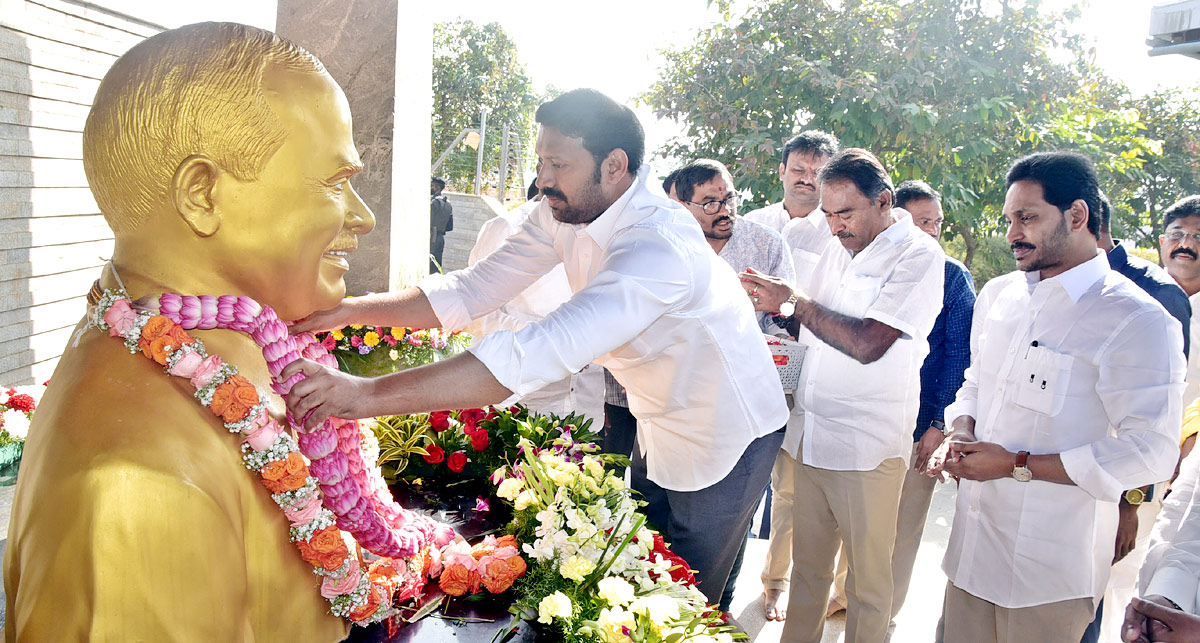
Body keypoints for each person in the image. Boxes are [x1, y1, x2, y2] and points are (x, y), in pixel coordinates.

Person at [282, 88, 789, 606]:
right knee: (644, 576)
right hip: (660, 423)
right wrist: (347, 311)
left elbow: (535, 350)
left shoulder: (657, 245)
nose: (543, 177)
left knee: (683, 603)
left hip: (730, 433)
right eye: (541, 160)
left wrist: (362, 396)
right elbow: (472, 288)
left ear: (614, 165)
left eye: (558, 163)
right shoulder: (561, 210)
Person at [4, 23, 374, 641]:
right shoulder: (137, 481)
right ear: (202, 194)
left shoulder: (217, 362)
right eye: (334, 182)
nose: (360, 217)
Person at [928, 151, 1184, 643]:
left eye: (1027, 218)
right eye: (1009, 219)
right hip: (972, 554)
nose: (1011, 234)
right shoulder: (1001, 296)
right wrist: (961, 431)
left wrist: (1013, 464)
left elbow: (1151, 451)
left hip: (1048, 573)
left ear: (1077, 215)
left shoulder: (1136, 319)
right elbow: (976, 383)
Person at [741, 148, 945, 642]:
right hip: (811, 437)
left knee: (867, 588)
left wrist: (794, 303)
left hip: (867, 449)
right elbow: (799, 313)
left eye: (845, 213)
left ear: (884, 201)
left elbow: (867, 342)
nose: (834, 226)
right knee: (808, 576)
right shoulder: (837, 245)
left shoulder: (918, 255)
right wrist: (779, 303)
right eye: (828, 214)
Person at [671, 158, 796, 610]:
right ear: (680, 206)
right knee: (678, 523)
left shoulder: (766, 246)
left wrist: (774, 325)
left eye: (728, 198)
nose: (724, 210)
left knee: (729, 522)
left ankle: (717, 610)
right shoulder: (669, 247)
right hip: (680, 411)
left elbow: (789, 322)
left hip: (745, 412)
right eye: (709, 203)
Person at [1081, 194, 1192, 643]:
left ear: (1078, 220)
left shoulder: (1157, 296)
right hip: (1058, 480)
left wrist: (1130, 504)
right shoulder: (1056, 285)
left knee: (1092, 596)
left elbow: (1155, 422)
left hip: (1116, 484)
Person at [746, 129, 841, 622]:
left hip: (806, 377)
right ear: (781, 171)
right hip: (745, 370)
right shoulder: (749, 224)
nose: (807, 180)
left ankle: (776, 582)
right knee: (738, 476)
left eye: (817, 172)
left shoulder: (840, 237)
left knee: (791, 489)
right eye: (798, 169)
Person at [464, 178, 604, 425]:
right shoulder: (507, 227)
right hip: (521, 407)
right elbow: (476, 315)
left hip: (584, 408)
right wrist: (556, 343)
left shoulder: (602, 231)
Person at [1160, 196, 1200, 406]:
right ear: (1162, 241)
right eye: (1176, 234)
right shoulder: (1133, 295)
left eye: (1198, 236)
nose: (1185, 244)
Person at [430, 176, 454, 272]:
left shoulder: (433, 203)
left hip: (431, 236)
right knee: (437, 266)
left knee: (429, 267)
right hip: (440, 239)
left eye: (432, 186)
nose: (430, 188)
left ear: (438, 188)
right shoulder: (448, 204)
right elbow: (450, 227)